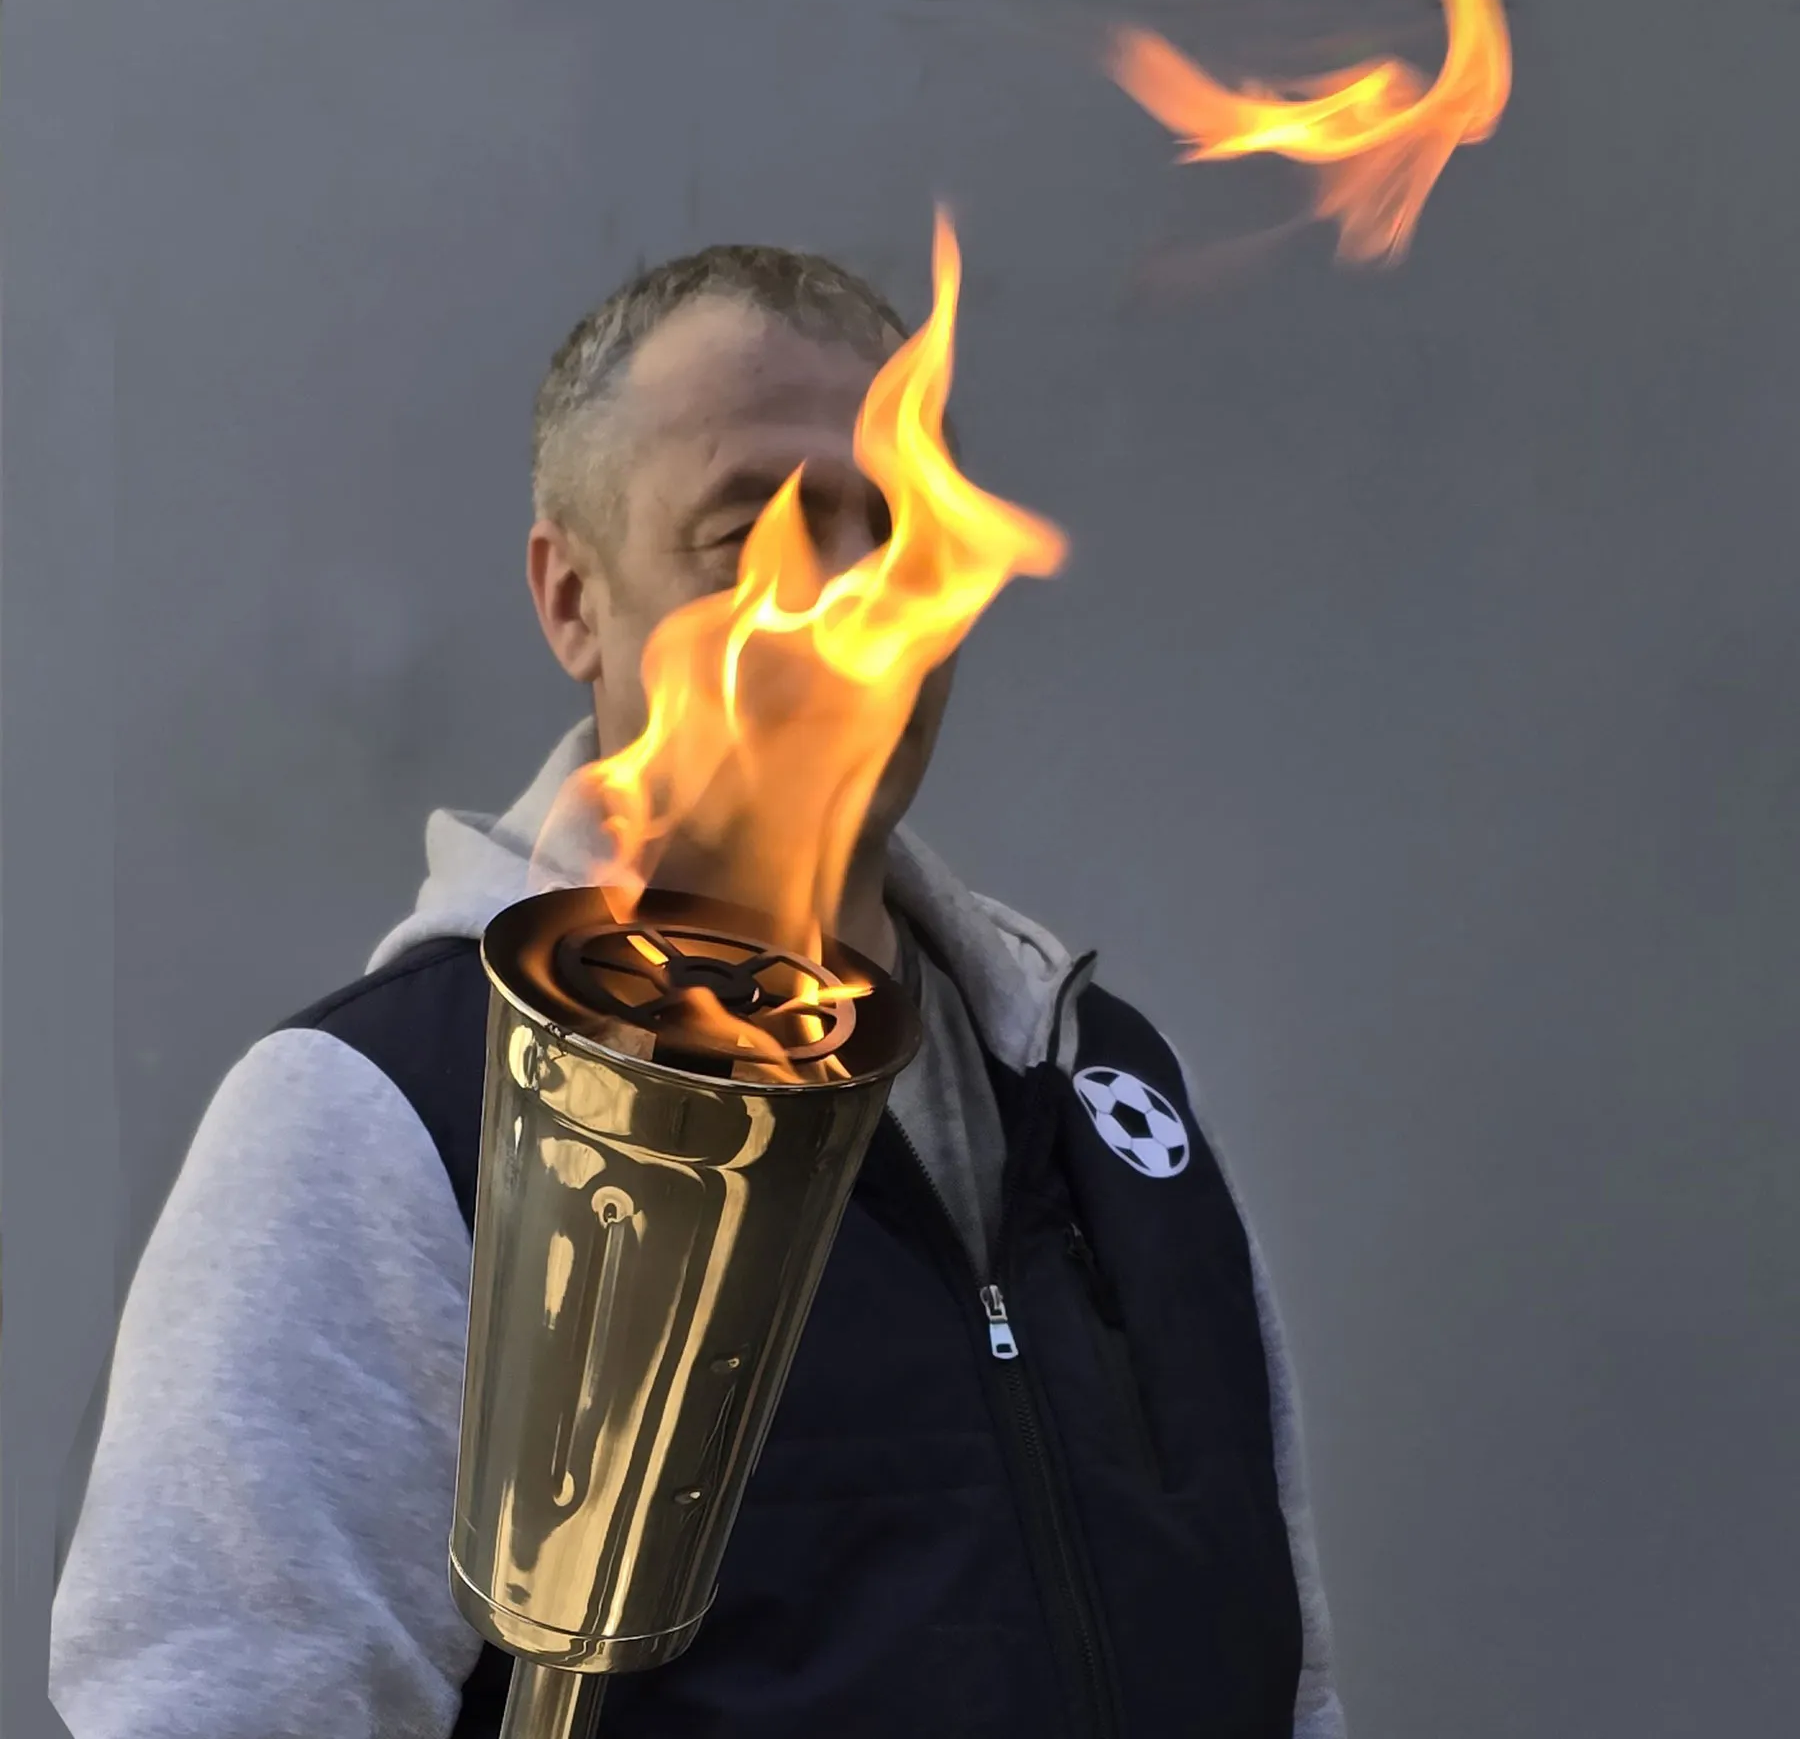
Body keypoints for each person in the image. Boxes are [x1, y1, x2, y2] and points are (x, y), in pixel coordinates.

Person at [50, 246, 1345, 1738]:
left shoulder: (1106, 1099)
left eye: (898, 536)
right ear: (573, 600)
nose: (848, 611)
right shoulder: (390, 1116)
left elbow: (1290, 1685)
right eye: (754, 539)